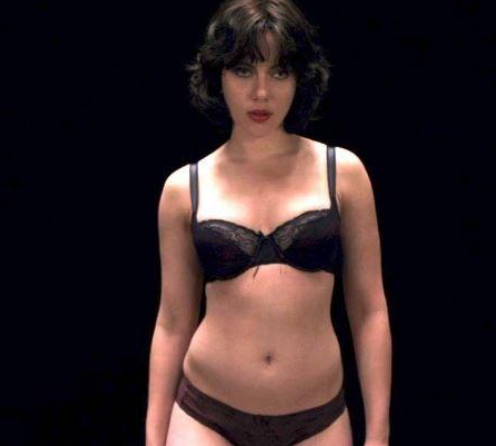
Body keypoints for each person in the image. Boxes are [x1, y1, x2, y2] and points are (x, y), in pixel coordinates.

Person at [146, 0, 392, 445]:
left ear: (300, 77)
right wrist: (153, 436)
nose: (261, 92)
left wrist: (379, 435)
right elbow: (172, 322)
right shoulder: (184, 188)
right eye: (244, 70)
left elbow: (370, 311)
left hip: (317, 419)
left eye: (279, 71)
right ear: (218, 74)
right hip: (206, 415)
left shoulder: (343, 173)